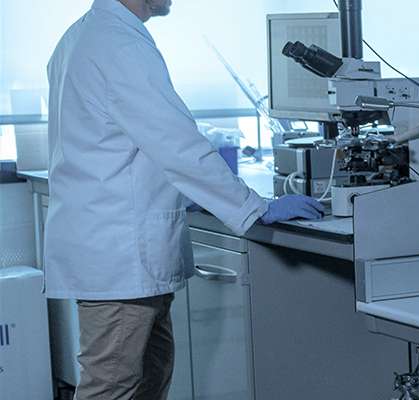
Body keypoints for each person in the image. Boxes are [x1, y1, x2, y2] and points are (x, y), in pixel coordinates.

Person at [45, 1, 325, 399]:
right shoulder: (118, 45)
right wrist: (255, 207)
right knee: (112, 387)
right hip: (120, 254)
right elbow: (178, 144)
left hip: (114, 246)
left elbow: (117, 144)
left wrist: (199, 197)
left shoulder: (83, 36)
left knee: (148, 379)